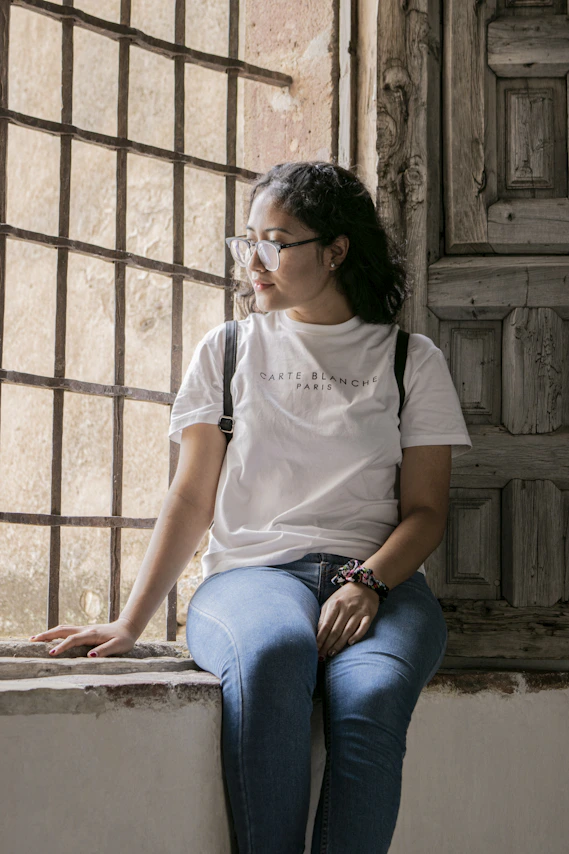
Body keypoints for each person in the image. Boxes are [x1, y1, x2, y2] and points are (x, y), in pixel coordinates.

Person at [30, 160, 473, 853]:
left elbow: (425, 510)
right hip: (251, 579)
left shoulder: (409, 360)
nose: (253, 261)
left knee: (372, 701)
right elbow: (191, 495)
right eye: (247, 242)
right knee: (273, 654)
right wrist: (129, 620)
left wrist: (369, 582)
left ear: (334, 250)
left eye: (275, 241)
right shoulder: (229, 348)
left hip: (380, 584)